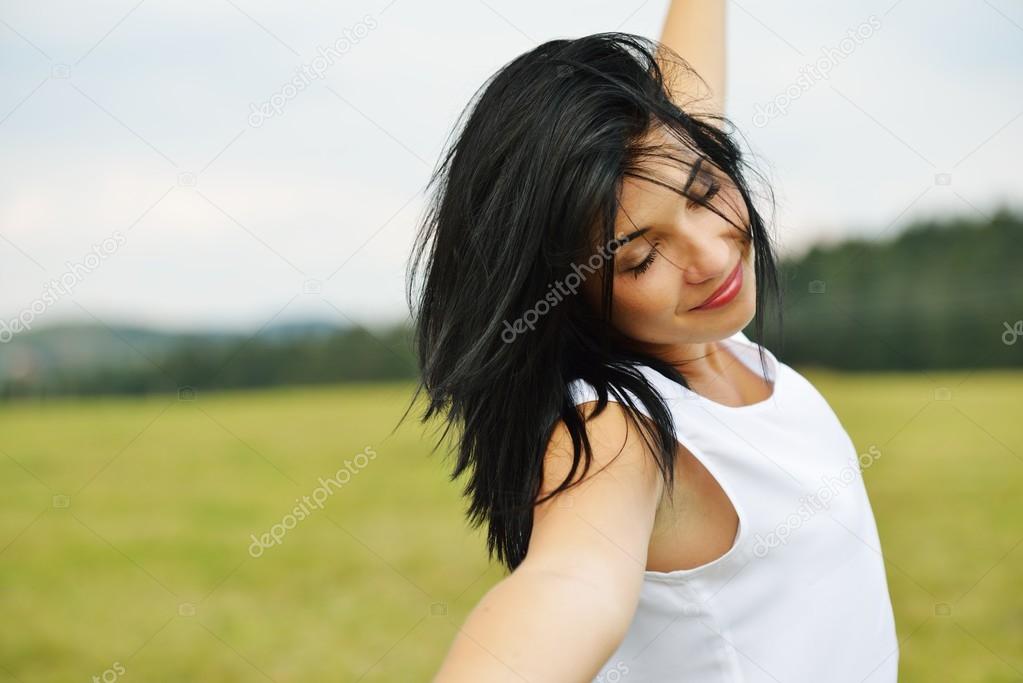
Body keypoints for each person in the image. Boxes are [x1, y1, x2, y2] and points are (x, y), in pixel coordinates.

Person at [405, 2, 899, 681]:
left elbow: (681, 111)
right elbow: (567, 583)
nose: (710, 254)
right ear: (564, 291)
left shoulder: (702, 322)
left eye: (703, 192)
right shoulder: (614, 430)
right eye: (638, 259)